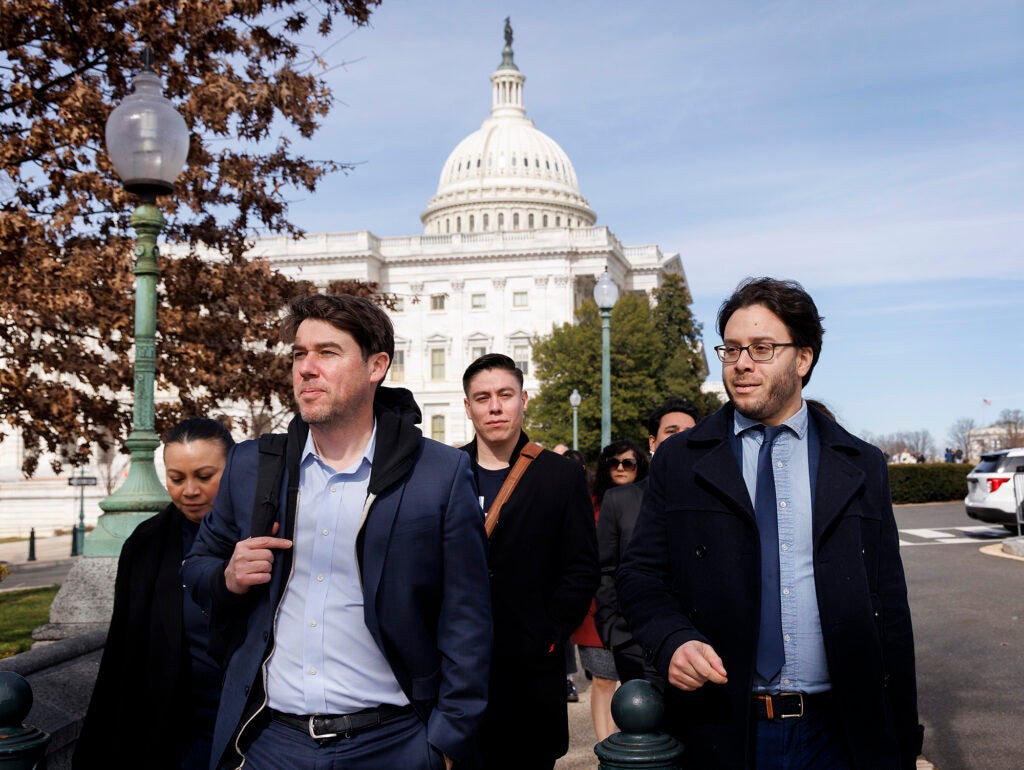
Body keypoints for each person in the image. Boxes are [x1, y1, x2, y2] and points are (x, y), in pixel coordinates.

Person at [617, 277, 924, 769]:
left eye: (762, 348)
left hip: (840, 733)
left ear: (802, 359)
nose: (741, 363)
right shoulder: (681, 459)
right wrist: (672, 639)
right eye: (731, 349)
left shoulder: (860, 464)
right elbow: (639, 576)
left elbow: (889, 606)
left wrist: (904, 740)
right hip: (721, 725)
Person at [182, 294, 492, 770]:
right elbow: (196, 569)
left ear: (376, 366)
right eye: (298, 354)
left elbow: (467, 617)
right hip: (272, 742)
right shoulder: (251, 466)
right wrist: (228, 576)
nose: (306, 368)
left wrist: (447, 741)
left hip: (395, 744)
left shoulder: (440, 473)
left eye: (327, 353)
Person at [459, 353, 598, 770]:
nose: (495, 407)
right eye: (482, 398)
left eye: (505, 395)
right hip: (458, 673)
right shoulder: (447, 471)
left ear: (524, 400)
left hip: (530, 672)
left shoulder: (560, 475)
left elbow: (582, 568)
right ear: (467, 407)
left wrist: (548, 633)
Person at [75, 417, 234, 770]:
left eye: (204, 476)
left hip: (259, 732)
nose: (188, 491)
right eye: (176, 479)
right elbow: (123, 652)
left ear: (234, 470)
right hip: (175, 738)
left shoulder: (269, 533)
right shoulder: (146, 545)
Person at [594, 398, 700, 684]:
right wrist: (613, 632)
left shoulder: (715, 498)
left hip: (700, 646)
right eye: (672, 431)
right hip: (635, 643)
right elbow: (604, 570)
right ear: (652, 441)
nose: (682, 438)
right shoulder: (620, 499)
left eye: (690, 430)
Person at [573, 440, 648, 741]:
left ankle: (630, 745)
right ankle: (605, 748)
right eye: (613, 463)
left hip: (637, 605)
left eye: (628, 463)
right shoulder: (589, 503)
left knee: (636, 683)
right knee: (604, 680)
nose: (620, 468)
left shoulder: (649, 501)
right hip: (595, 607)